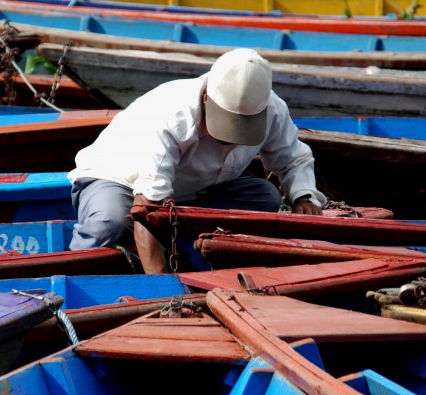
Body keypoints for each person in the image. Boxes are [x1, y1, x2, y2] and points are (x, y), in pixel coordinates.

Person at [67, 47, 327, 272]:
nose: (232, 139)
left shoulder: (273, 109)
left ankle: (193, 248)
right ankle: (70, 277)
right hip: (118, 180)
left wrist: (303, 197)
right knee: (110, 225)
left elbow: (293, 158)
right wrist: (162, 289)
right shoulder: (171, 117)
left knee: (265, 197)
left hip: (195, 191)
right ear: (206, 98)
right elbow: (146, 209)